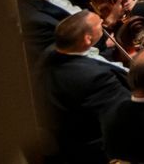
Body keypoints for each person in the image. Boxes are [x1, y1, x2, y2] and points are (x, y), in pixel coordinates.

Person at [40, 10, 128, 164]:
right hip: (97, 143)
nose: (102, 22)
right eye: (99, 24)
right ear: (87, 39)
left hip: (74, 132)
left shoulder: (52, 52)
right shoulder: (94, 76)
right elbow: (127, 111)